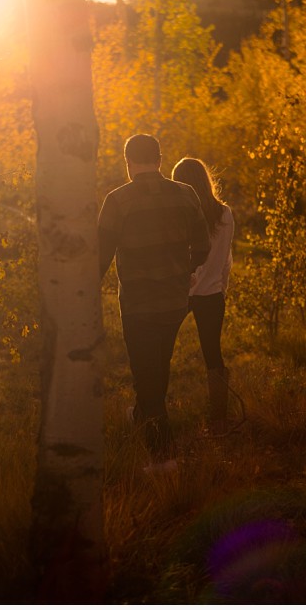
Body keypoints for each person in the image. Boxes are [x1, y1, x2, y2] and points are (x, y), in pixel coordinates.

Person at [98, 134, 211, 473]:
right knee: (157, 369)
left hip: (138, 304)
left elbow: (100, 257)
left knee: (146, 377)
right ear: (160, 160)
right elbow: (203, 247)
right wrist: (184, 271)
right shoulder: (186, 194)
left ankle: (163, 457)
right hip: (175, 303)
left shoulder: (117, 201)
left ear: (128, 162)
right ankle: (143, 421)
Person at [171, 157, 234, 436]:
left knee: (160, 351)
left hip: (180, 294)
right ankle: (219, 421)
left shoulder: (177, 213)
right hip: (211, 294)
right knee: (213, 355)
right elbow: (226, 259)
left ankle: (150, 412)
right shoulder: (225, 214)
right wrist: (222, 287)